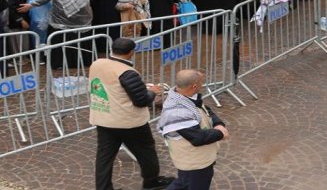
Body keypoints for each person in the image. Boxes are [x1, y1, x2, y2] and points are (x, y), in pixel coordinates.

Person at [89, 37, 175, 190]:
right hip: (128, 121)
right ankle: (151, 181)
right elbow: (141, 100)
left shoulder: (97, 63)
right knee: (146, 150)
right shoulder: (127, 72)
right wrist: (152, 92)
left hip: (103, 118)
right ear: (131, 53)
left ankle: (103, 187)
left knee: (104, 157)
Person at [157, 69, 228, 190]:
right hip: (195, 163)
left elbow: (205, 110)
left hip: (193, 160)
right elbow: (197, 138)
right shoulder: (178, 112)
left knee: (183, 183)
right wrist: (220, 133)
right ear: (194, 86)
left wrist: (218, 123)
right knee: (191, 184)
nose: (202, 85)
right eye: (201, 83)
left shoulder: (183, 96)